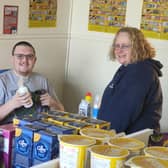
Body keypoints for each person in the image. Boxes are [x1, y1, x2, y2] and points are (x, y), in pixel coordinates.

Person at [98, 27, 163, 134]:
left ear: (138, 47)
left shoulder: (140, 72)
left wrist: (103, 136)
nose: (119, 50)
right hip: (120, 137)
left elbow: (123, 113)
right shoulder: (128, 68)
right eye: (117, 45)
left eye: (125, 46)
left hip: (131, 141)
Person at [0, 41, 64, 124]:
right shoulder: (2, 81)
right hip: (12, 132)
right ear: (12, 59)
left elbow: (62, 111)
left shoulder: (42, 80)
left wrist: (53, 104)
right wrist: (12, 103)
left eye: (29, 56)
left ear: (35, 60)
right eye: (19, 56)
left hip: (42, 128)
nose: (25, 60)